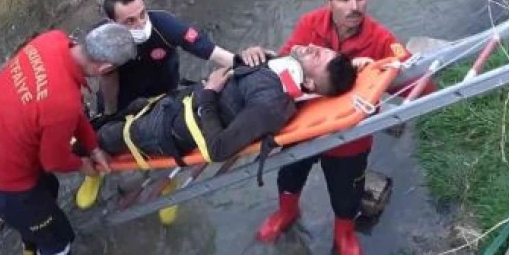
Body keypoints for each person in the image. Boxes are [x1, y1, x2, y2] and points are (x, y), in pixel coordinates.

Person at [246, 0, 411, 255]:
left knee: (347, 192)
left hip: (350, 139)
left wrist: (376, 72)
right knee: (289, 175)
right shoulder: (311, 24)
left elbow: (414, 80)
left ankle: (344, 233)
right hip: (302, 129)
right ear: (329, 2)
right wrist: (257, 56)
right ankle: (287, 212)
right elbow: (283, 66)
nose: (354, 7)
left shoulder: (381, 38)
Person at [0, 23, 136, 255]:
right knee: (58, 237)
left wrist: (92, 146)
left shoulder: (52, 41)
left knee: (47, 190)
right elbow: (53, 158)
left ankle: (32, 254)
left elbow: (65, 111)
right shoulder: (61, 103)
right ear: (104, 69)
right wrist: (84, 165)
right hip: (5, 179)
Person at [76, 0, 266, 209]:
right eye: (129, 21)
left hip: (161, 98)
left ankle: (167, 183)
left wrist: (250, 64)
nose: (140, 24)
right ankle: (93, 174)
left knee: (165, 140)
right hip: (121, 99)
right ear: (111, 23)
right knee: (98, 136)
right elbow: (94, 79)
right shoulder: (100, 40)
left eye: (142, 15)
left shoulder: (164, 26)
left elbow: (212, 52)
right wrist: (108, 114)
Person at [94, 45, 356, 168]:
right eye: (321, 48)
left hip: (166, 128)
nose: (311, 46)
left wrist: (209, 94)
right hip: (174, 102)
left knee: (104, 137)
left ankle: (82, 159)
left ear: (309, 81)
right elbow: (245, 83)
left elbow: (219, 150)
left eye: (317, 55)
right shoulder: (278, 69)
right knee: (118, 112)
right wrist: (250, 57)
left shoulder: (270, 104)